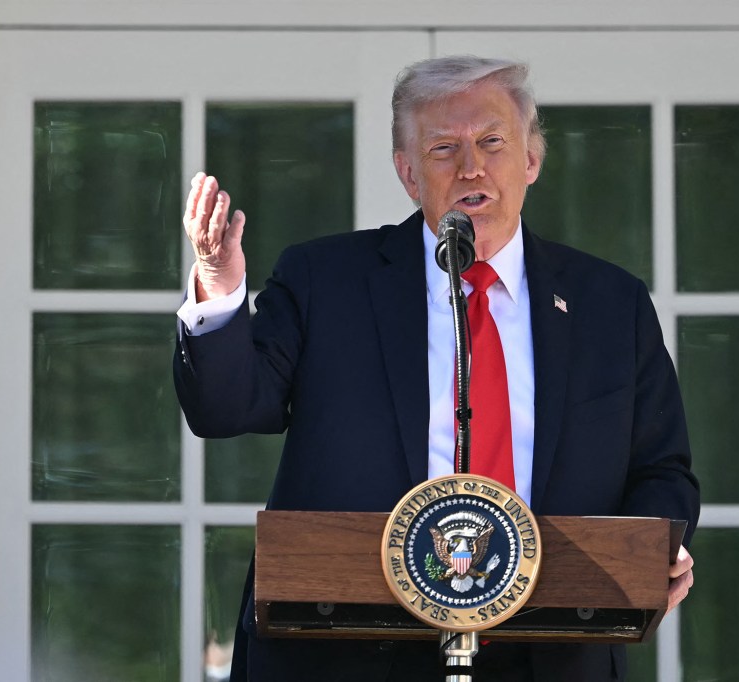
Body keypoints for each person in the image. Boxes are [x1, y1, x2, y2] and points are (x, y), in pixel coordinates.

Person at [175, 56, 699, 682]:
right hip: (344, 654)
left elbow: (661, 469)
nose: (471, 166)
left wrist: (653, 556)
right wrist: (218, 287)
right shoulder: (326, 280)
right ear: (408, 173)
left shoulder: (609, 304)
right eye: (444, 147)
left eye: (493, 142)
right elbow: (226, 408)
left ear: (532, 160)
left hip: (550, 653)